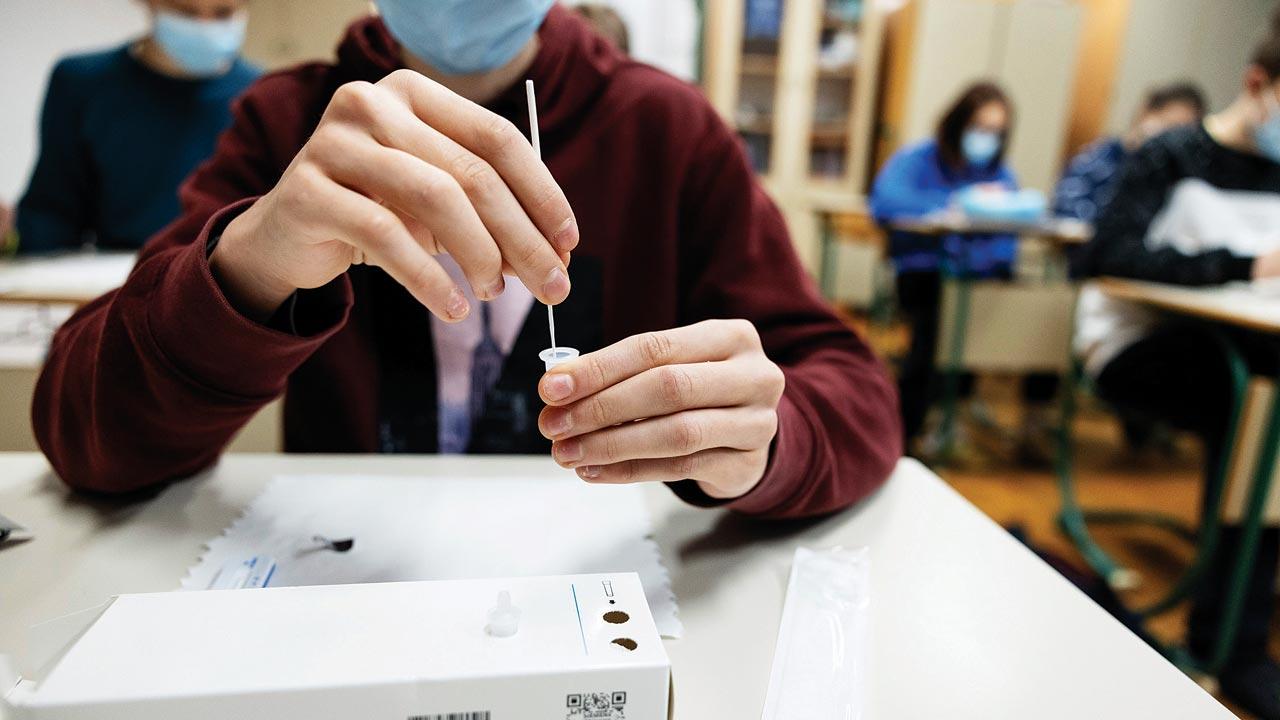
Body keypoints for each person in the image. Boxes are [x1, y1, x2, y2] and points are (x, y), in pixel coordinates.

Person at [31, 2, 901, 521]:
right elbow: (85, 435)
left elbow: (854, 392)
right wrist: (247, 268)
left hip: (604, 611)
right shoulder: (283, 124)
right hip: (350, 608)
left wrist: (764, 443)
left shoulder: (668, 132)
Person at [1074, 33, 1280, 720]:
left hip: (1247, 347)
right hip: (1139, 342)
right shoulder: (1171, 155)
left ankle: (1240, 607)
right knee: (1252, 398)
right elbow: (1107, 255)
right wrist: (1241, 266)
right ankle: (1232, 638)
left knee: (1264, 389)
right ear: (1257, 85)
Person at [870, 81, 1055, 460]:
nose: (985, 139)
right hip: (925, 273)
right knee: (940, 323)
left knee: (1047, 312)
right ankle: (910, 431)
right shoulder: (917, 160)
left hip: (981, 277)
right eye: (979, 128)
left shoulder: (998, 175)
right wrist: (953, 204)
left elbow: (1009, 238)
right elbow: (886, 202)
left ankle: (1032, 425)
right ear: (957, 123)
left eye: (995, 132)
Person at [15, 0, 259, 254]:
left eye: (223, 12)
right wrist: (15, 238)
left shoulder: (262, 96)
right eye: (185, 12)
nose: (205, 25)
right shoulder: (81, 83)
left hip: (219, 277)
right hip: (113, 276)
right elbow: (52, 215)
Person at [1054, 82, 1206, 223]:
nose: (1172, 139)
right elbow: (1068, 214)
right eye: (1169, 125)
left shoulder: (1176, 181)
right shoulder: (1098, 158)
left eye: (1183, 133)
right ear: (1146, 113)